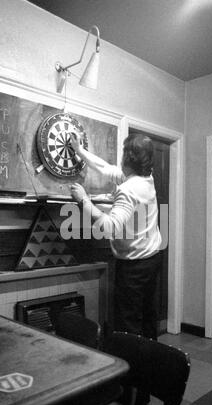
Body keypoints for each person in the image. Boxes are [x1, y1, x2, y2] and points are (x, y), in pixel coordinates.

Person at [70, 133, 162, 343]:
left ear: (127, 158)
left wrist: (84, 200)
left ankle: (133, 368)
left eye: (123, 153)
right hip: (152, 259)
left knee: (128, 322)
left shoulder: (128, 189)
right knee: (148, 317)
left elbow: (110, 228)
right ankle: (152, 362)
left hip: (134, 267)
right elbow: (106, 169)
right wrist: (79, 151)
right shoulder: (146, 178)